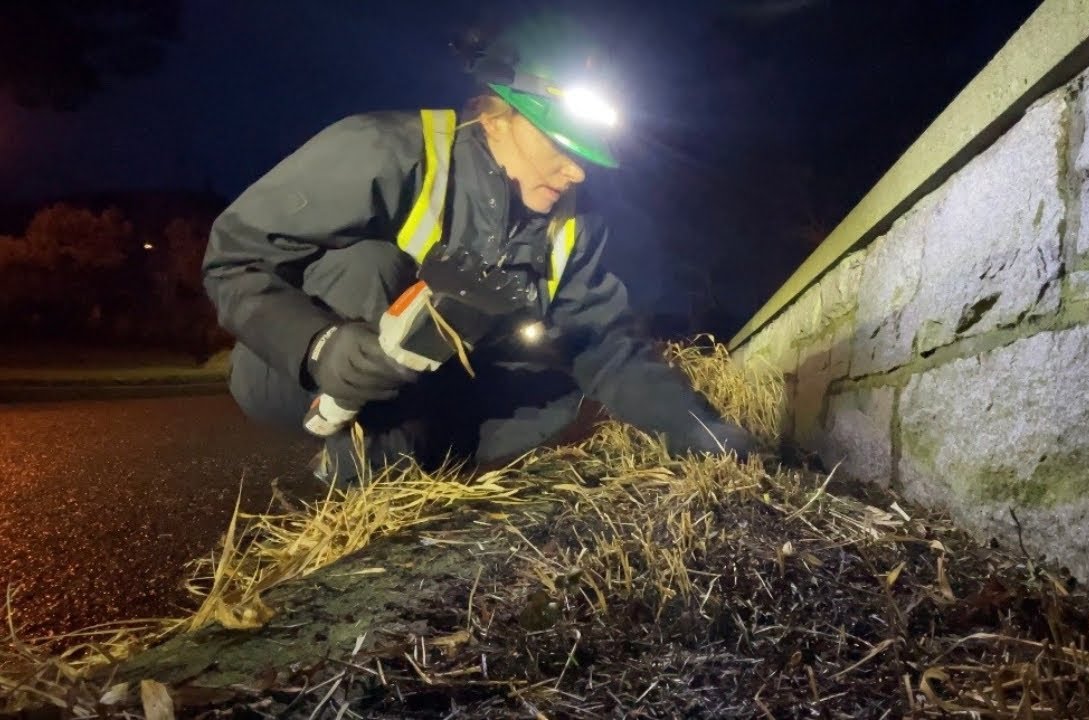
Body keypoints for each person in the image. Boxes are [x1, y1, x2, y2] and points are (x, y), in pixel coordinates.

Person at [202, 13, 755, 484]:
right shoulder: (383, 150)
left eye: (591, 154)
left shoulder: (573, 225)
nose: (577, 171)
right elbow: (232, 257)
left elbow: (609, 348)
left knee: (558, 388)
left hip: (438, 391)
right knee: (367, 263)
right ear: (498, 115)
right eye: (561, 146)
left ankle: (433, 458)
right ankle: (372, 498)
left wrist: (703, 432)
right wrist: (318, 345)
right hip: (290, 369)